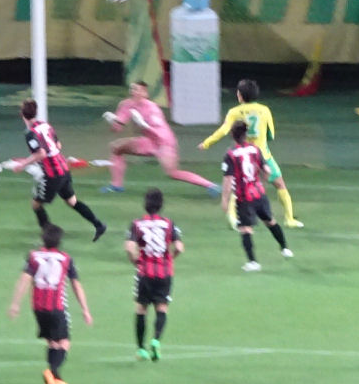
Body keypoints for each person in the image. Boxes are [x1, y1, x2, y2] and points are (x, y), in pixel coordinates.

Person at [199, 79, 303, 228]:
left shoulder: (234, 112)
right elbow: (271, 134)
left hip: (244, 157)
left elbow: (223, 130)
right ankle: (289, 218)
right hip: (263, 155)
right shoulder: (264, 110)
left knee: (241, 188)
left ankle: (233, 217)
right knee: (280, 184)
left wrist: (207, 143)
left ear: (240, 95)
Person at [8, 224, 93, 384]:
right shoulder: (66, 259)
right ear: (59, 241)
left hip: (38, 307)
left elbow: (24, 280)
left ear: (43, 239)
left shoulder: (33, 256)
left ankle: (55, 378)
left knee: (53, 342)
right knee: (64, 342)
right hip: (56, 306)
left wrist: (15, 304)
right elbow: (76, 285)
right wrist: (85, 309)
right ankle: (52, 372)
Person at [102, 81, 220, 196]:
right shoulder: (126, 105)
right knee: (116, 147)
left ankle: (211, 185)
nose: (134, 92)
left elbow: (159, 132)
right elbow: (117, 128)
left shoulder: (152, 108)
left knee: (172, 172)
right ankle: (116, 186)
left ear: (145, 94)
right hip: (149, 141)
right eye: (132, 89)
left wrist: (144, 125)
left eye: (137, 90)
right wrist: (113, 122)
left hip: (164, 142)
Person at [12, 99, 107, 242]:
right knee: (72, 201)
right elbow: (58, 145)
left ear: (22, 115)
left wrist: (23, 164)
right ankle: (98, 224)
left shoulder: (30, 134)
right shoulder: (45, 125)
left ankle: (47, 231)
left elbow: (41, 153)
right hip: (64, 169)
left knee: (36, 204)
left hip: (53, 174)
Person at [221, 120, 292, 272]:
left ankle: (253, 262)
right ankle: (285, 248)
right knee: (270, 221)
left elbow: (228, 180)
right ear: (246, 134)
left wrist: (224, 200)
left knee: (245, 229)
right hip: (259, 193)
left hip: (244, 197)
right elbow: (267, 170)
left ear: (232, 135)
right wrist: (262, 182)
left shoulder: (231, 154)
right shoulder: (255, 149)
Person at [125, 188, 184, 361]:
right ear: (161, 205)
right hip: (164, 272)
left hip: (145, 272)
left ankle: (141, 349)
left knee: (141, 309)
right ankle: (156, 339)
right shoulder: (169, 224)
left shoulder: (136, 224)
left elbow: (129, 247)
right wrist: (170, 258)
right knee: (162, 307)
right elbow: (179, 247)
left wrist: (135, 260)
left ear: (145, 204)